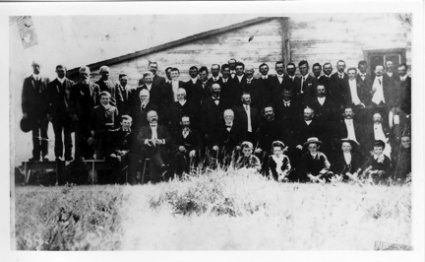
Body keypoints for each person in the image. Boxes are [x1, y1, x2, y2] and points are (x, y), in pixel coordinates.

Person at [21, 61, 50, 162]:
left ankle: (45, 155)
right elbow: (24, 97)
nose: (36, 68)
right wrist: (24, 112)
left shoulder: (46, 80)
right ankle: (36, 156)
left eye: (38, 66)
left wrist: (49, 112)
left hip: (44, 113)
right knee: (35, 134)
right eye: (34, 66)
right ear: (32, 67)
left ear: (41, 67)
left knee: (44, 134)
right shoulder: (27, 80)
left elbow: (49, 97)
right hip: (32, 113)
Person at [133, 110, 171, 183]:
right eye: (151, 117)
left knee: (154, 153)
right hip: (147, 151)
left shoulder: (163, 128)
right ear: (148, 119)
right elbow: (138, 139)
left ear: (157, 117)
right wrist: (147, 141)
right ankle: (162, 167)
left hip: (160, 150)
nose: (153, 118)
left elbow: (169, 139)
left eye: (155, 116)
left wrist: (161, 141)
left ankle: (153, 179)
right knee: (151, 149)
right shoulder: (143, 129)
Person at [47, 64, 75, 161]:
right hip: (56, 116)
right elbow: (47, 101)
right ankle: (58, 155)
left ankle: (68, 156)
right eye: (58, 71)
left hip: (68, 116)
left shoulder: (72, 84)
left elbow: (74, 100)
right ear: (56, 72)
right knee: (57, 136)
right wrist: (48, 114)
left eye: (62, 70)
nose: (60, 72)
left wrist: (73, 113)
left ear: (65, 71)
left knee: (68, 136)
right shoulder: (51, 85)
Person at [72, 66, 100, 160]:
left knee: (91, 138)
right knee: (80, 140)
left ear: (89, 75)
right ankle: (79, 163)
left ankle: (91, 160)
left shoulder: (95, 87)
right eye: (82, 74)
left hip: (91, 118)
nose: (84, 76)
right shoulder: (75, 87)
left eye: (86, 74)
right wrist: (74, 114)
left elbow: (98, 102)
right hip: (80, 119)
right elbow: (71, 102)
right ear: (80, 75)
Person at [90, 91, 120, 160]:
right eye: (103, 98)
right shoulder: (95, 109)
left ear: (109, 99)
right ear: (100, 100)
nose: (105, 100)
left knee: (110, 153)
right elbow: (91, 123)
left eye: (107, 98)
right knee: (99, 153)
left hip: (111, 134)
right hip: (99, 134)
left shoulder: (114, 109)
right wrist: (92, 131)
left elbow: (118, 123)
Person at [106, 115, 133, 184]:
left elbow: (134, 146)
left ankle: (127, 180)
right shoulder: (115, 132)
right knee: (114, 159)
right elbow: (112, 145)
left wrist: (126, 151)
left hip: (128, 153)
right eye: (125, 122)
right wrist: (117, 152)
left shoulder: (133, 134)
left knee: (130, 158)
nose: (126, 124)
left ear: (131, 123)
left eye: (128, 123)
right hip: (116, 152)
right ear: (121, 123)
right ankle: (116, 180)